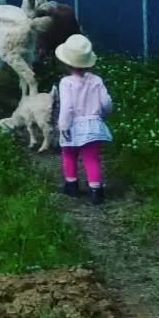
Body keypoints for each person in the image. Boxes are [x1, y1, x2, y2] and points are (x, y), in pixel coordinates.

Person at [55, 34, 113, 205]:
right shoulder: (97, 80)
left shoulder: (66, 82)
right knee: (92, 157)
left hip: (73, 125)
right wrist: (104, 115)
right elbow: (106, 102)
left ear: (67, 62)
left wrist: (63, 125)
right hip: (93, 124)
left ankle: (71, 185)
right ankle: (96, 191)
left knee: (69, 154)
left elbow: (67, 107)